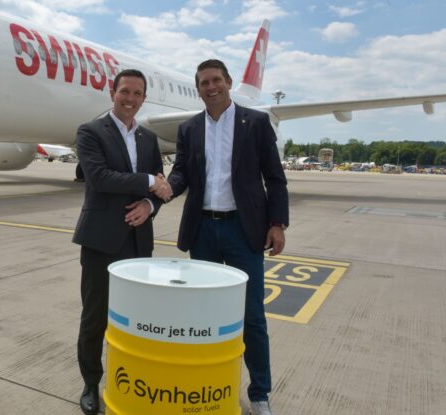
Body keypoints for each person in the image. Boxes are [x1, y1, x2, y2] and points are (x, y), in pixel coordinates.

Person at [164, 59, 288, 415]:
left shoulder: (256, 122)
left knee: (252, 316)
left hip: (242, 230)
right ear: (197, 89)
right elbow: (181, 173)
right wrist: (163, 189)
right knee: (203, 315)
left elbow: (274, 177)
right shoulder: (189, 128)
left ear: (228, 82)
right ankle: (206, 383)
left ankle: (260, 393)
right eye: (204, 83)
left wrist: (277, 223)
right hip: (202, 230)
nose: (211, 87)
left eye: (216, 80)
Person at [72, 68, 171, 415]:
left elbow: (159, 186)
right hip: (101, 240)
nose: (130, 99)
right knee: (95, 317)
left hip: (139, 241)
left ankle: (132, 377)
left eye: (137, 93)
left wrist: (150, 205)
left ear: (144, 98)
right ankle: (90, 383)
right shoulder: (90, 131)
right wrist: (148, 183)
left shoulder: (148, 138)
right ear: (112, 93)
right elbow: (99, 178)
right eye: (124, 91)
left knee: (137, 317)